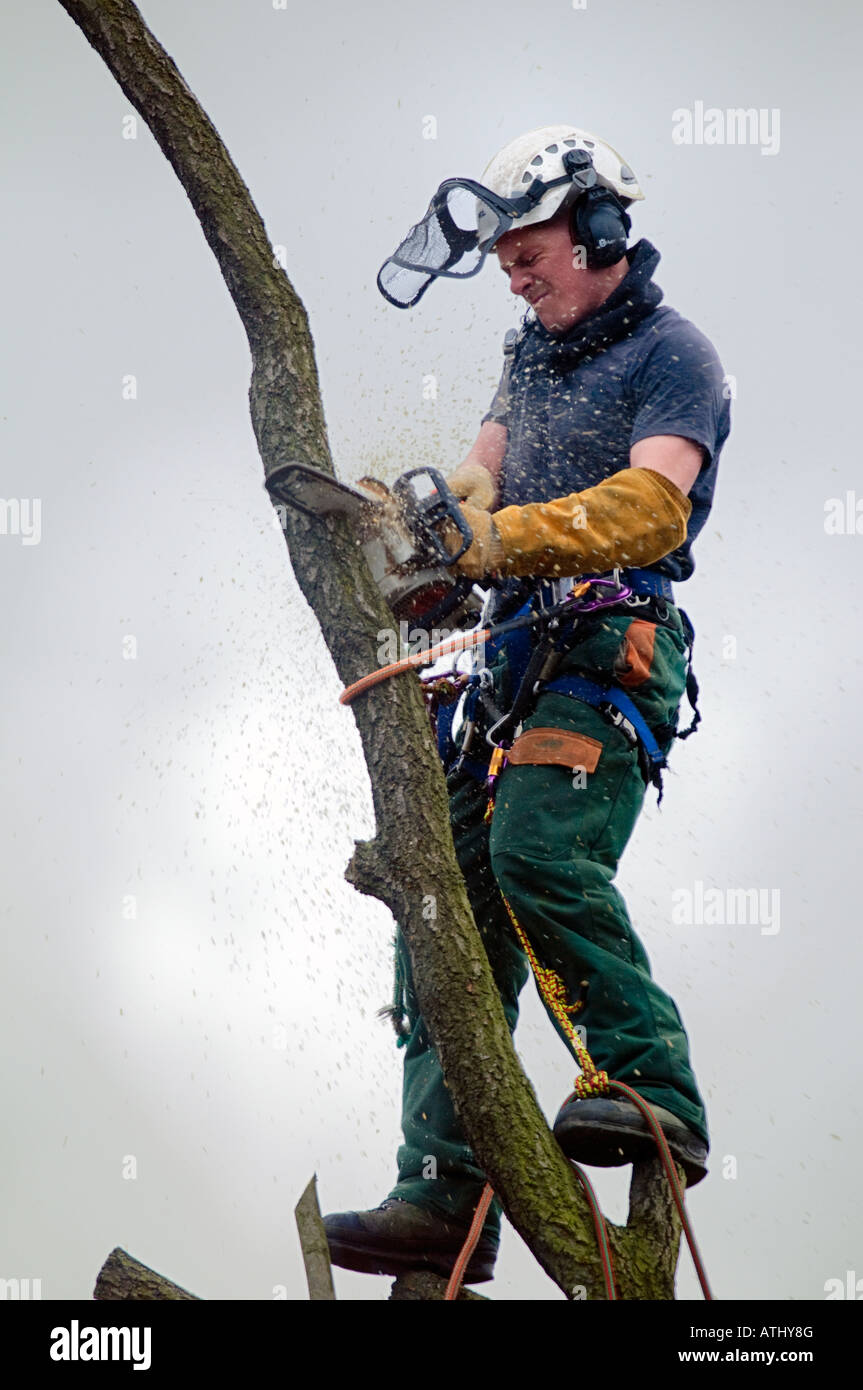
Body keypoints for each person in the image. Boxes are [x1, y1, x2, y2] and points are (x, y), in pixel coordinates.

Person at [324, 125, 731, 1285]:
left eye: (529, 245)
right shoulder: (529, 356)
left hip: (607, 645)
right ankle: (441, 1187)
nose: (513, 269)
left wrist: (498, 538)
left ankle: (650, 1083)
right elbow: (479, 475)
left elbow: (652, 503)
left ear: (599, 227)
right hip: (506, 662)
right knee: (438, 903)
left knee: (538, 850)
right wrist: (432, 531)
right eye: (499, 255)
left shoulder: (673, 353)